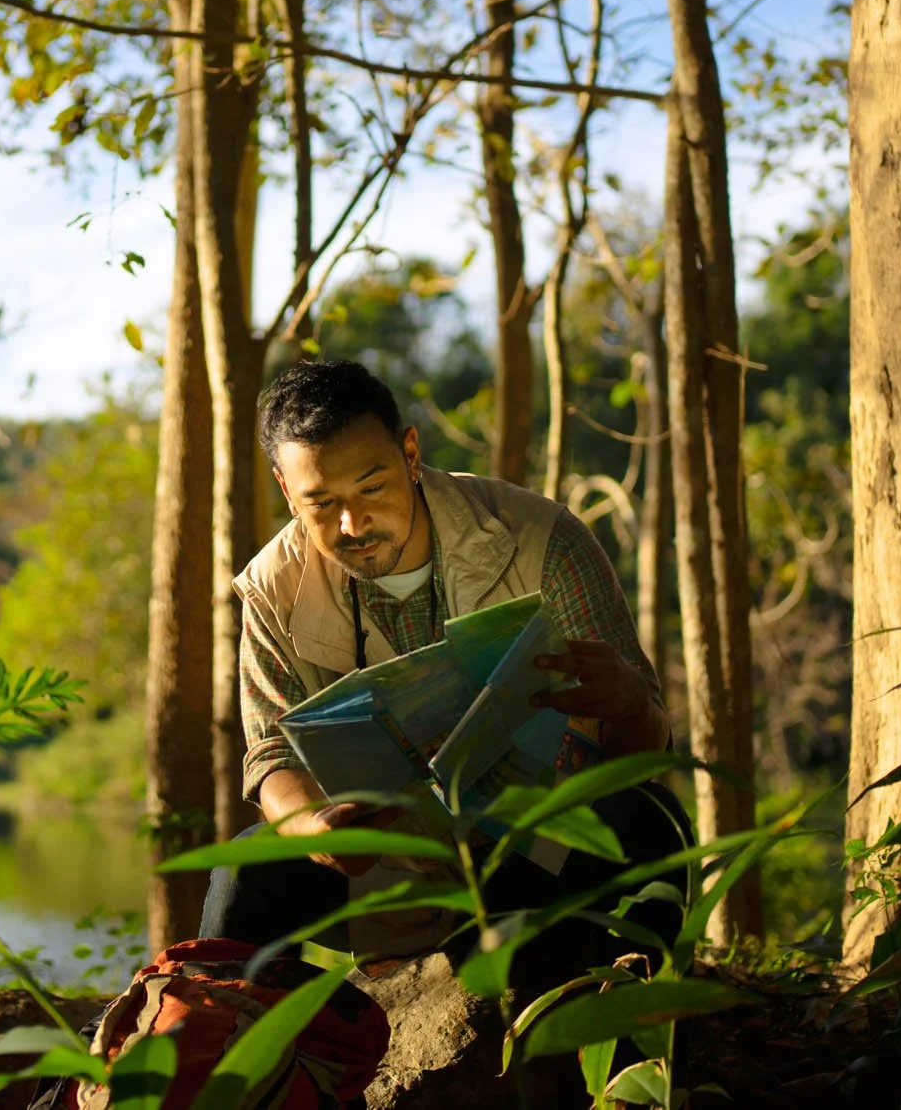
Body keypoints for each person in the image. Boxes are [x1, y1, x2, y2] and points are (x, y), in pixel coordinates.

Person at [199, 359, 691, 971]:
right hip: (385, 864)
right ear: (285, 489)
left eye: (372, 488)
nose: (351, 525)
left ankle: (631, 1043)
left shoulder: (541, 539)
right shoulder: (272, 588)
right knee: (244, 870)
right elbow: (270, 756)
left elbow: (648, 747)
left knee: (648, 819)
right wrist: (315, 832)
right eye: (321, 503)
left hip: (535, 848)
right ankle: (225, 1047)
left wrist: (625, 701)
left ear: (410, 453)